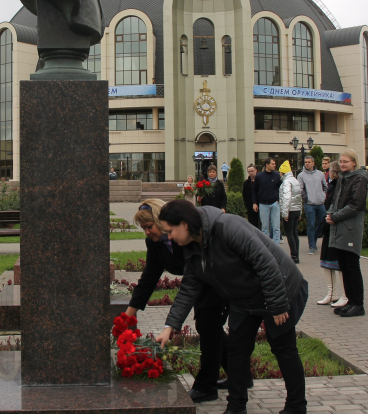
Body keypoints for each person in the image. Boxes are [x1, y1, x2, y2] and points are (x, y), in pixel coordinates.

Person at [155, 200, 308, 414]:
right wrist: (169, 327)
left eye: (170, 231)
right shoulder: (191, 247)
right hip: (244, 298)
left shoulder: (228, 227)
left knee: (283, 348)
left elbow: (266, 263)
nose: (169, 237)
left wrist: (278, 304)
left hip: (279, 288)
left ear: (184, 224)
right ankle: (236, 408)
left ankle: (296, 407)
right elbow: (189, 288)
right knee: (237, 351)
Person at [128, 199, 229, 403]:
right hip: (197, 282)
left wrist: (171, 323)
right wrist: (129, 314)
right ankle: (239, 374)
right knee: (210, 328)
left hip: (214, 279)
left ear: (160, 221)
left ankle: (206, 386)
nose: (147, 232)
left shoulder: (183, 235)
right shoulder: (155, 243)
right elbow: (150, 277)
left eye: (149, 226)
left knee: (208, 326)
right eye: (143, 228)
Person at [325, 149, 368, 318]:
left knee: (352, 266)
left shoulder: (359, 179)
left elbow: (355, 205)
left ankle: (358, 304)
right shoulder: (342, 178)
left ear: (354, 162)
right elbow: (335, 201)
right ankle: (350, 301)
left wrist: (335, 216)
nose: (342, 164)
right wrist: (330, 214)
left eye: (346, 161)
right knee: (344, 266)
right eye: (341, 161)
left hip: (350, 228)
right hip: (339, 227)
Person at [317, 161, 347, 307]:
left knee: (338, 262)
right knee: (326, 260)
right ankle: (331, 293)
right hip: (329, 225)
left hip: (337, 226)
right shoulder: (332, 186)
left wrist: (332, 217)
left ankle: (344, 295)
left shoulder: (340, 186)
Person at [297, 156, 327, 255]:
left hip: (320, 203)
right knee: (311, 225)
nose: (307, 164)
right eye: (305, 162)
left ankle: (314, 239)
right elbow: (300, 189)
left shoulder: (320, 174)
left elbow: (325, 186)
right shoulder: (301, 175)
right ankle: (311, 246)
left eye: (309, 162)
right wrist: (306, 198)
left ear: (313, 163)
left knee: (323, 223)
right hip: (309, 204)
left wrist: (323, 195)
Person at [252, 158, 283, 243]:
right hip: (263, 204)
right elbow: (254, 190)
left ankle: (276, 246)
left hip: (274, 204)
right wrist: (254, 203)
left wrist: (278, 200)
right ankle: (266, 246)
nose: (274, 165)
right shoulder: (259, 176)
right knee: (264, 227)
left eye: (274, 164)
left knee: (276, 227)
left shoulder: (277, 176)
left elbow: (281, 189)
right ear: (267, 165)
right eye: (272, 164)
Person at [279, 161, 303, 264]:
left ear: (282, 172)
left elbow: (286, 198)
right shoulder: (295, 180)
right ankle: (296, 255)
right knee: (294, 233)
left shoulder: (286, 182)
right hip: (296, 210)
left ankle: (293, 255)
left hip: (289, 210)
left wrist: (284, 214)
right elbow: (299, 197)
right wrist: (300, 211)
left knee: (289, 233)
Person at [242, 164, 261, 229]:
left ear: (256, 171)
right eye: (249, 171)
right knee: (252, 225)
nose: (251, 173)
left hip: (260, 206)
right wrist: (247, 206)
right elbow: (244, 195)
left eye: (252, 171)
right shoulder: (246, 183)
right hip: (250, 207)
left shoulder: (260, 181)